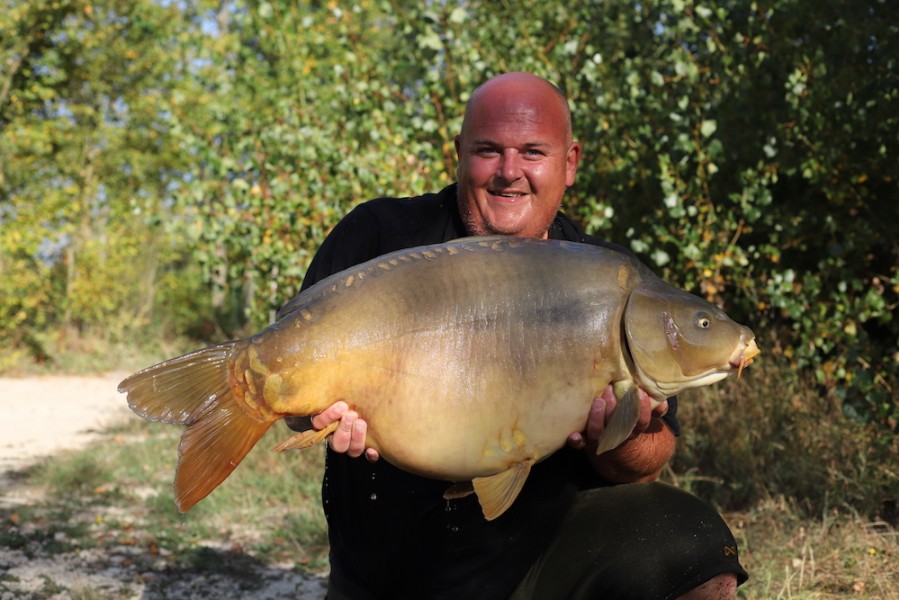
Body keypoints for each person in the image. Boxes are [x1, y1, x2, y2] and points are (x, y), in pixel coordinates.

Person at [286, 72, 748, 599]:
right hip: (388, 578)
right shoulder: (379, 239)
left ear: (569, 163)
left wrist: (615, 436)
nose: (510, 173)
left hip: (535, 564)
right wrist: (314, 413)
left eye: (533, 151)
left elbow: (647, 464)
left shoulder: (608, 278)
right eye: (488, 150)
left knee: (693, 544)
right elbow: (292, 393)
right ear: (459, 152)